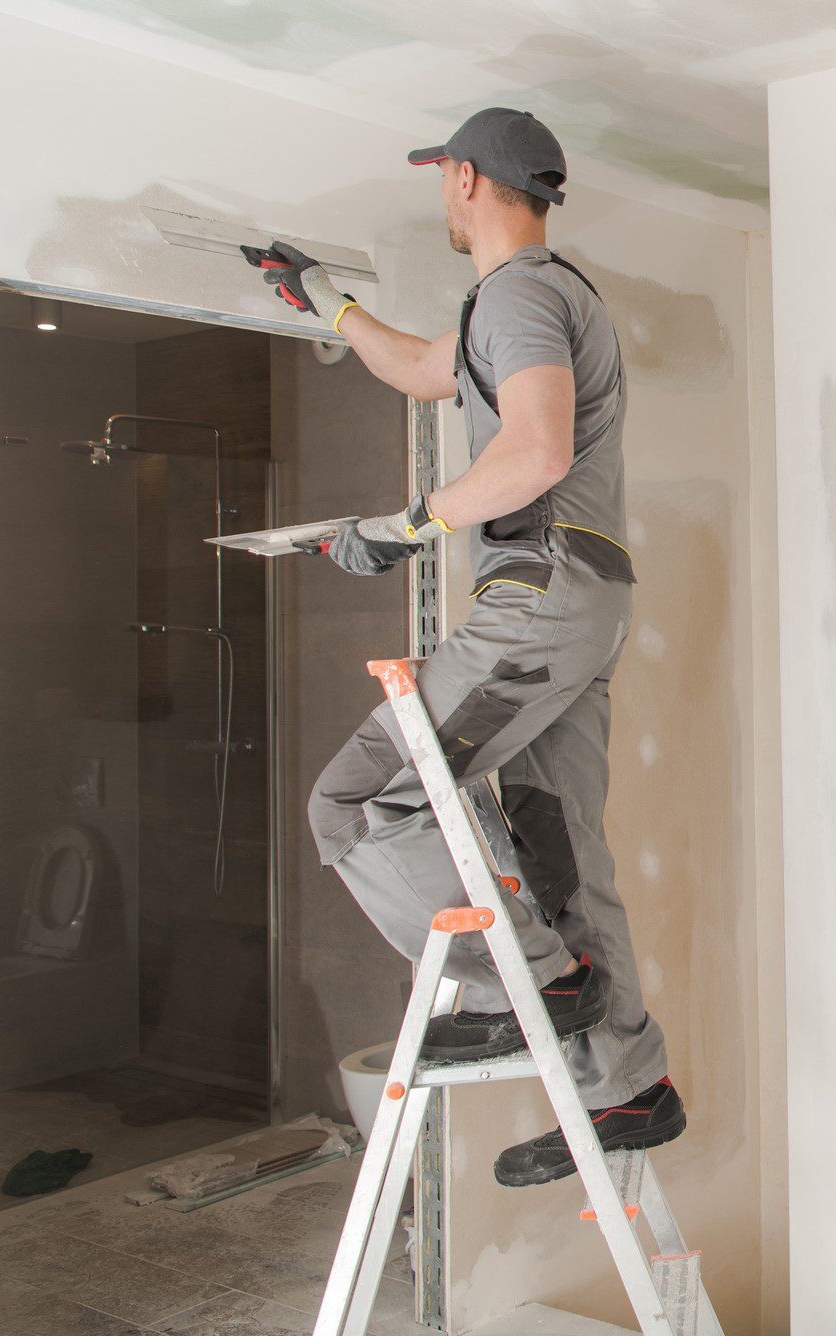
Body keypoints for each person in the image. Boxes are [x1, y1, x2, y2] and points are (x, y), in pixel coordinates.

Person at [246, 107, 681, 1187]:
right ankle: (628, 1085)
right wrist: (326, 302)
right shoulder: (523, 299)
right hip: (583, 596)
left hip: (535, 594)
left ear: (469, 180)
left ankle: (513, 986)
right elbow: (423, 367)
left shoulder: (524, 294)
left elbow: (529, 451)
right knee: (556, 850)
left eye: (443, 175)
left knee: (356, 801)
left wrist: (404, 530)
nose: (440, 192)